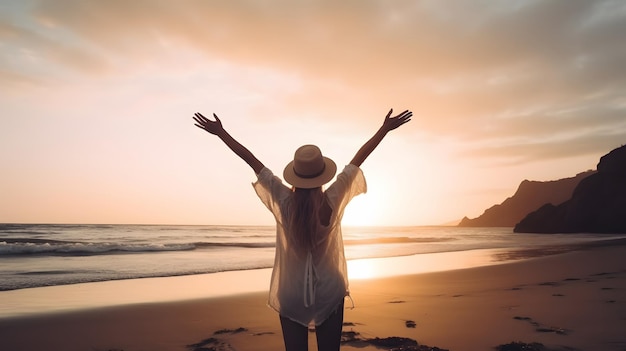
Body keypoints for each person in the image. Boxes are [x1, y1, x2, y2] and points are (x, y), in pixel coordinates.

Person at [193, 108, 412, 351]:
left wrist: (221, 132)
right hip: (330, 287)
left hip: (291, 291)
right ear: (322, 176)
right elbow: (357, 161)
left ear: (295, 175)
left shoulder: (284, 201)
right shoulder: (332, 199)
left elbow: (252, 161)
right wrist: (384, 129)